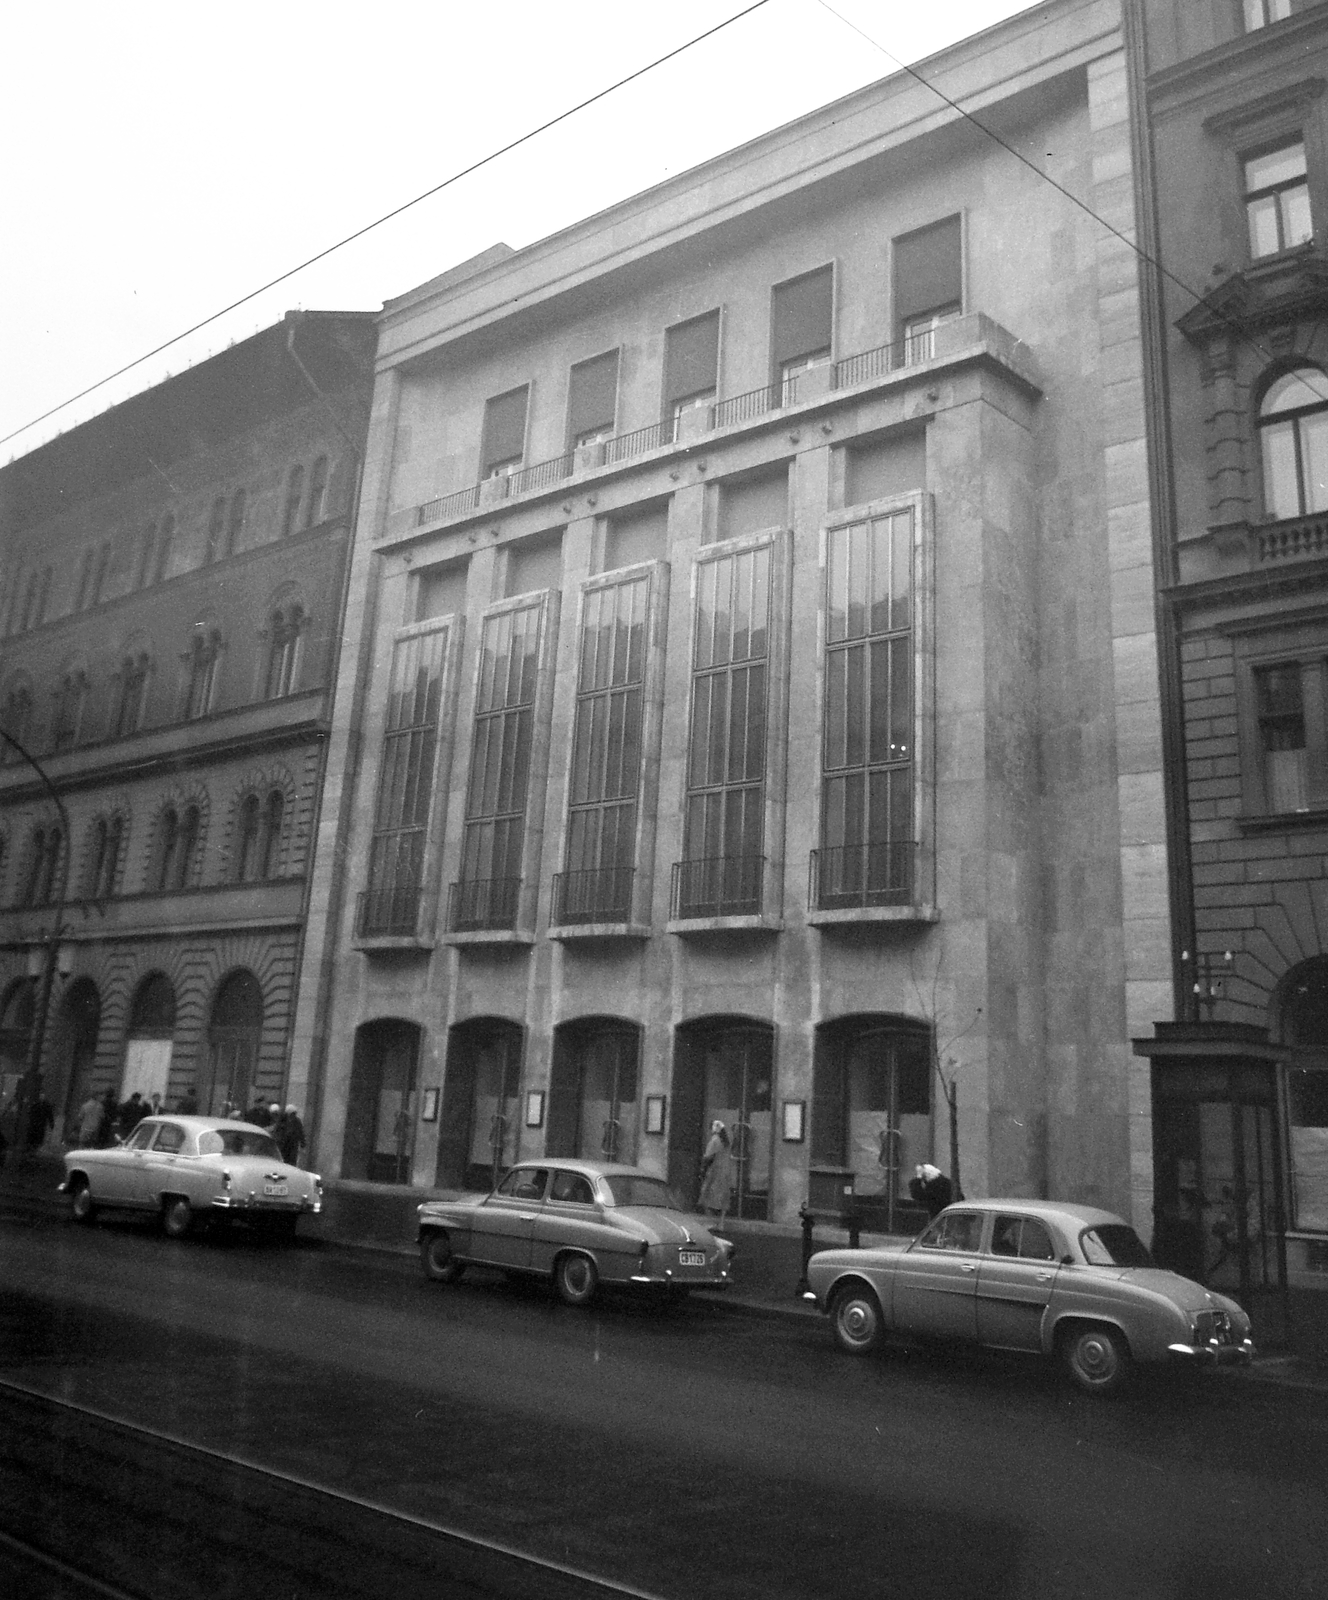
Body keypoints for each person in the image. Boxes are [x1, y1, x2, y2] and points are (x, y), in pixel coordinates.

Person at [698, 1120, 734, 1229]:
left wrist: (702, 1169)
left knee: (706, 1194)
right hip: (726, 1171)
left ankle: (711, 1221)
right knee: (724, 1197)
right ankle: (721, 1223)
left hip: (714, 1170)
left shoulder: (714, 1141)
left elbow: (708, 1156)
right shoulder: (726, 1142)